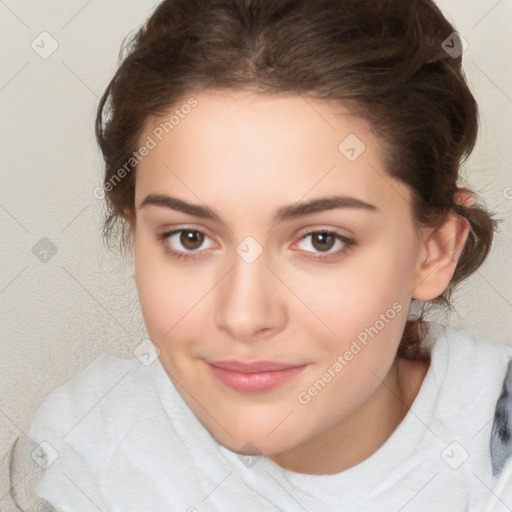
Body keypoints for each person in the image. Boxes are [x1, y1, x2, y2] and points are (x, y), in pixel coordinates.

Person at [2, 0, 512, 510]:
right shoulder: (80, 456)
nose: (244, 317)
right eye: (189, 238)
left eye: (321, 240)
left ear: (435, 251)